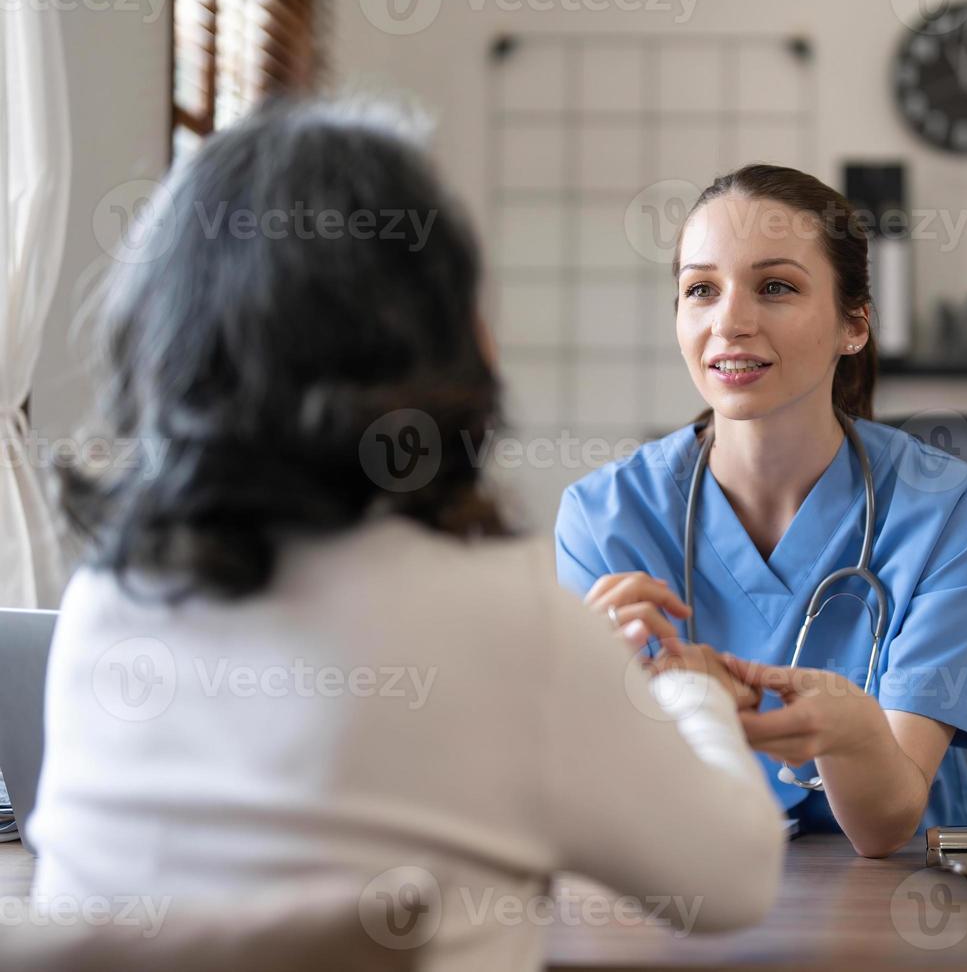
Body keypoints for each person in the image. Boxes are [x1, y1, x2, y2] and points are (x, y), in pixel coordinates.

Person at [28, 100, 782, 971]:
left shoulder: (106, 605)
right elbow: (733, 881)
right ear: (445, 340)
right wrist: (690, 695)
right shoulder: (505, 622)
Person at [555, 165, 967, 858]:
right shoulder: (603, 518)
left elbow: (887, 824)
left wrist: (846, 732)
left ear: (853, 327)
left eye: (775, 288)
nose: (730, 322)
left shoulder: (953, 512)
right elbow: (588, 810)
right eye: (701, 290)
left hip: (903, 905)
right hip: (690, 884)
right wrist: (589, 696)